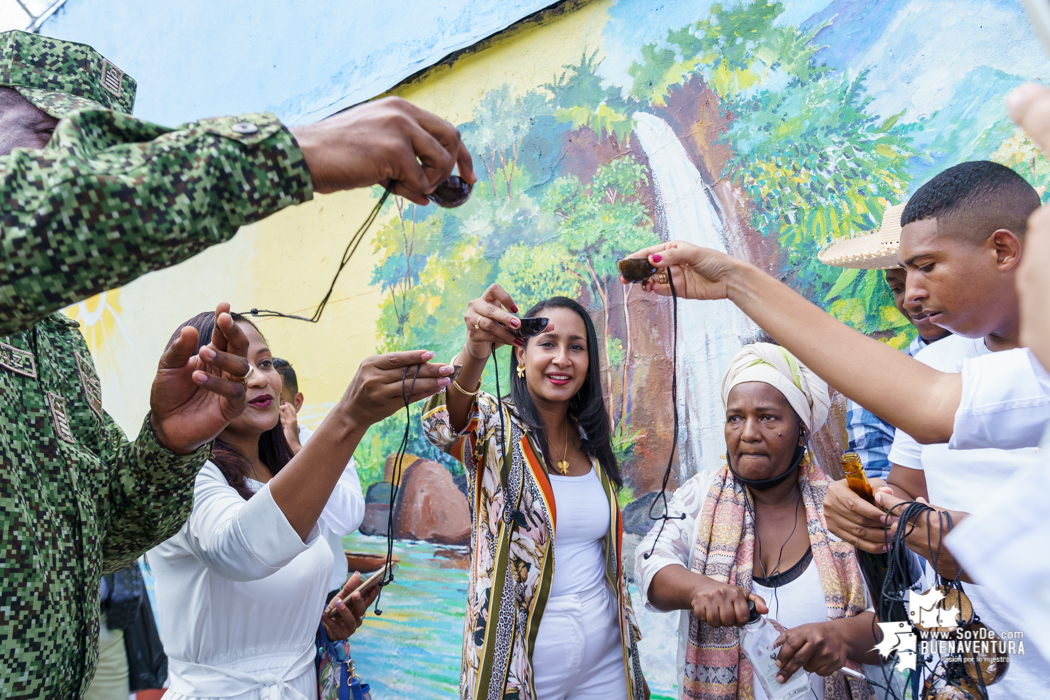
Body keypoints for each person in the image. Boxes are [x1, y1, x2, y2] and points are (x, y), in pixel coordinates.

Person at [0, 28, 473, 697]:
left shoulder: (55, 348)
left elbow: (108, 538)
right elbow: (239, 549)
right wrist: (294, 152)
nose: (69, 169)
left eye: (86, 148)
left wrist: (165, 447)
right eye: (48, 139)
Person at [626, 160, 1050, 697]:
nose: (911, 294)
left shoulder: (980, 376)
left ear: (1003, 250)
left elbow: (930, 412)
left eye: (926, 267)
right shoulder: (944, 366)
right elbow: (911, 528)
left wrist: (736, 280)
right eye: (736, 417)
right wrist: (881, 513)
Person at [149, 311, 452, 698]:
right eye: (239, 371)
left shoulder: (288, 470)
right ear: (195, 386)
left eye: (264, 363)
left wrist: (322, 626)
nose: (259, 378)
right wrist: (349, 417)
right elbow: (241, 549)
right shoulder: (186, 476)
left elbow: (334, 528)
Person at [421, 288, 646, 700]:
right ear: (521, 355)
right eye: (548, 344)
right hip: (522, 659)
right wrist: (474, 350)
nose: (563, 359)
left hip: (607, 654)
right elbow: (441, 425)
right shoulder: (495, 426)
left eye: (576, 347)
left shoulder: (589, 439)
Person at [636, 343, 878, 700]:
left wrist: (841, 637)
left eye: (767, 417)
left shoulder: (845, 510)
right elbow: (649, 563)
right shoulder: (703, 495)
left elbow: (899, 625)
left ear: (801, 429)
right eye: (735, 418)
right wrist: (699, 589)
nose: (747, 432)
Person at [819, 203, 951, 479]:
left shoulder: (1008, 351)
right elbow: (879, 484)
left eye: (926, 271)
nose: (911, 297)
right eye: (898, 287)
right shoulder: (877, 385)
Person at [275, 356, 366, 599]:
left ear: (297, 402)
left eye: (278, 400)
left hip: (324, 593)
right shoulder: (241, 455)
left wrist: (298, 452)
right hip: (272, 599)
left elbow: (348, 522)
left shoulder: (329, 447)